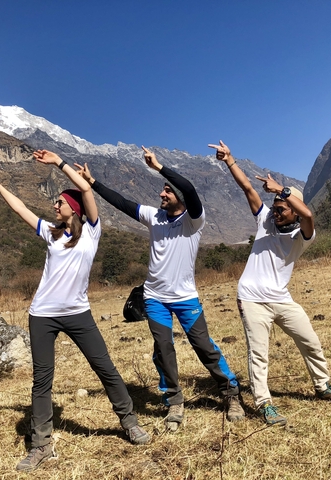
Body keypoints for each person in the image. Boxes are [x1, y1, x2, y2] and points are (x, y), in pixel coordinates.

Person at [0, 150, 150, 473]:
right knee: (42, 381)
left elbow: (86, 190)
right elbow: (20, 209)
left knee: (105, 368)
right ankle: (41, 445)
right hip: (42, 314)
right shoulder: (50, 232)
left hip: (78, 313)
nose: (54, 206)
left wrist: (59, 162)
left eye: (59, 202)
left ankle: (129, 423)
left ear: (73, 208)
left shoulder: (92, 233)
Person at [75, 146, 244, 431]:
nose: (161, 194)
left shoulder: (193, 220)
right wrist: (93, 183)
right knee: (163, 348)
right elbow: (122, 203)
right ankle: (174, 401)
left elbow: (189, 189)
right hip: (155, 298)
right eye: (162, 190)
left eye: (167, 191)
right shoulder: (154, 217)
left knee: (203, 346)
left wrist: (160, 167)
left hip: (185, 297)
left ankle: (230, 393)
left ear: (179, 197)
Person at [208, 140, 331, 426]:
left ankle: (322, 386)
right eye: (275, 206)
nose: (276, 211)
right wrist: (230, 161)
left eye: (283, 208)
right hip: (251, 298)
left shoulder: (303, 235)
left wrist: (282, 190)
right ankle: (264, 404)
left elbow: (309, 214)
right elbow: (248, 188)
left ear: (294, 212)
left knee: (309, 340)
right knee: (258, 353)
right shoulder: (264, 221)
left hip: (281, 298)